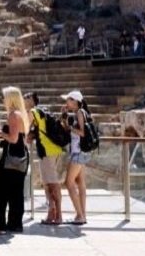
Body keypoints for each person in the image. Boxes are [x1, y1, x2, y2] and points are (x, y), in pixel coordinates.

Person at [0, 87, 30, 235]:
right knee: (15, 192)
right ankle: (15, 224)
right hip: (21, 156)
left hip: (11, 156)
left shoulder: (13, 115)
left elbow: (13, 138)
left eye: (3, 97)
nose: (2, 100)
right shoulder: (22, 114)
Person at [25, 92, 63, 225]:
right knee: (47, 183)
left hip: (48, 151)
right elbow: (37, 131)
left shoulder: (33, 111)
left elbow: (25, 129)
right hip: (50, 150)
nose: (24, 99)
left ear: (32, 100)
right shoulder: (42, 111)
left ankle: (59, 215)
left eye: (27, 98)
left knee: (52, 183)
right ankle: (51, 213)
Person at [61, 90, 91, 225]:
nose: (66, 102)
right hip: (81, 152)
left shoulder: (79, 113)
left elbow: (82, 133)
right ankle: (82, 215)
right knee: (80, 183)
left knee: (69, 183)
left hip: (78, 152)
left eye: (68, 100)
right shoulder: (81, 112)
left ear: (74, 101)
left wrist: (69, 127)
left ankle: (80, 214)